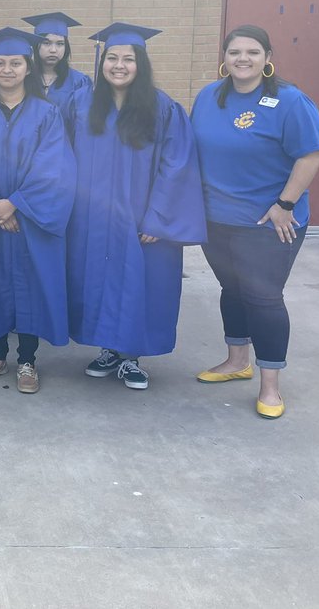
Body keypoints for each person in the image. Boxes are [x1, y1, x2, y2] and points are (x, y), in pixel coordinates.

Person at [191, 24, 319, 419]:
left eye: (252, 52)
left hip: (269, 221)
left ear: (268, 59)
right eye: (235, 52)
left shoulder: (289, 101)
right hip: (217, 219)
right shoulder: (208, 97)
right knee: (232, 289)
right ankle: (236, 362)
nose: (242, 59)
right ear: (225, 58)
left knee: (263, 298)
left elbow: (310, 155)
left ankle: (270, 386)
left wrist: (286, 203)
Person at [65, 23, 206, 391]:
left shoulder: (162, 109)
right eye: (112, 58)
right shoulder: (80, 104)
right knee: (96, 280)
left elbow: (178, 166)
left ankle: (131, 358)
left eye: (128, 59)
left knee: (139, 283)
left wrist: (158, 220)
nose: (119, 65)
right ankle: (108, 349)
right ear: (101, 63)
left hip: (142, 218)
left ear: (140, 64)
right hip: (91, 219)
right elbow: (60, 158)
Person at [0, 27, 75, 394]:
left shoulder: (47, 113)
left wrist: (16, 204)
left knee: (31, 286)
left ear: (28, 68)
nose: (7, 70)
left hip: (30, 219)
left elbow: (54, 166)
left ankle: (27, 360)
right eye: (0, 63)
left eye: (15, 63)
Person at [23, 12, 91, 106]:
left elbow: (82, 118)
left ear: (66, 47)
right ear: (36, 45)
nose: (53, 50)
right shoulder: (25, 79)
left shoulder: (79, 82)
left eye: (60, 44)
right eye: (46, 43)